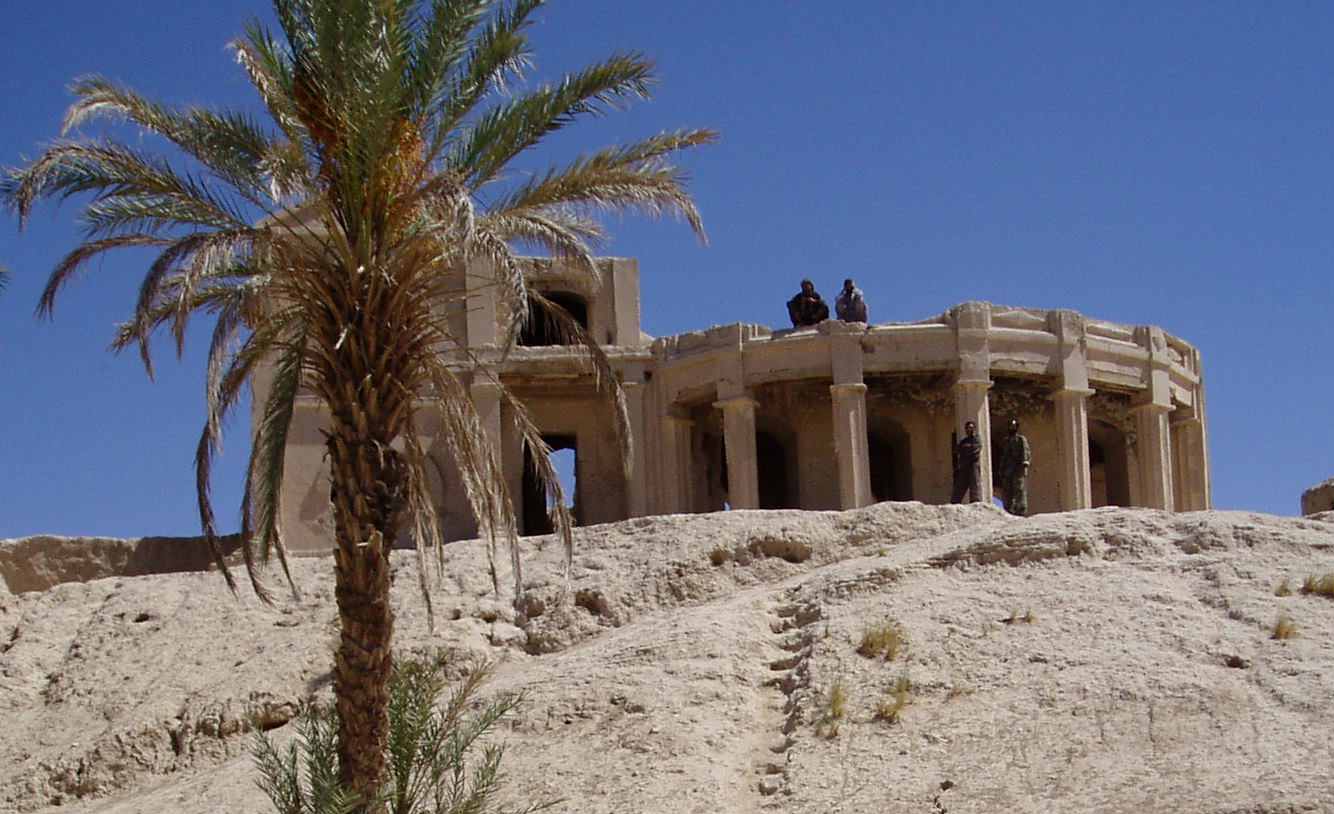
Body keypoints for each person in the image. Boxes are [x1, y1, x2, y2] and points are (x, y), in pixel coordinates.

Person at [997, 418, 1031, 516]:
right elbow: (1004, 455)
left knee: (1019, 488)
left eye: (1014, 426)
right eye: (1010, 426)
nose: (1012, 428)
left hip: (1018, 467)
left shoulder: (1021, 439)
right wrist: (1002, 468)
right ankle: (1009, 508)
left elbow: (1025, 451)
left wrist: (1024, 464)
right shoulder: (1006, 440)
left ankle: (1021, 509)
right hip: (1008, 468)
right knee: (1008, 489)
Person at [951, 420, 983, 504]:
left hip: (973, 466)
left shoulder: (977, 439)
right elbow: (957, 450)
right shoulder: (964, 441)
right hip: (964, 467)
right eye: (968, 428)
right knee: (959, 488)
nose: (969, 430)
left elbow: (974, 451)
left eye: (971, 428)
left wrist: (965, 450)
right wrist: (965, 449)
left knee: (975, 487)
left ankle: (976, 504)